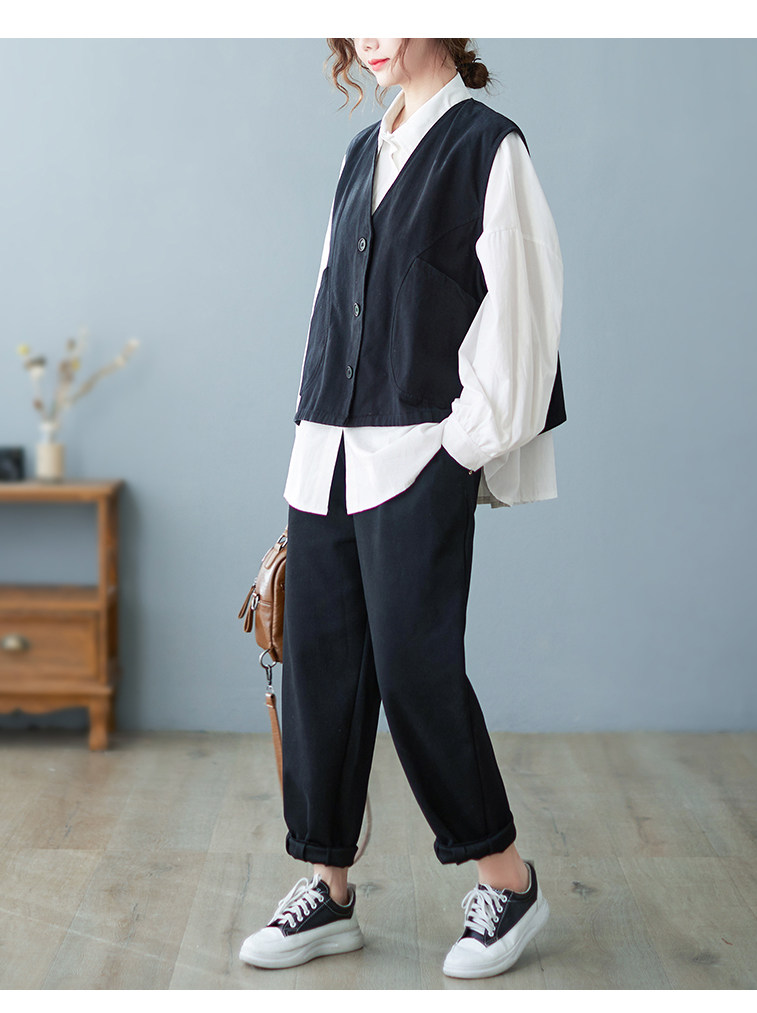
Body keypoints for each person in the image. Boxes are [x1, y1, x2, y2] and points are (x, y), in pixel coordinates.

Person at [239, 37, 566, 980]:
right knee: (322, 668)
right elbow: (329, 298)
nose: (367, 36)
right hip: (327, 453)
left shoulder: (487, 145)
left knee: (418, 669)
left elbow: (524, 311)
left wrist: (460, 444)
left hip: (418, 449)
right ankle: (329, 887)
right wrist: (310, 432)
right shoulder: (360, 152)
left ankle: (507, 879)